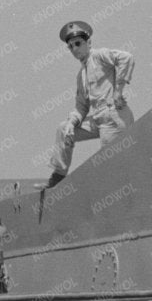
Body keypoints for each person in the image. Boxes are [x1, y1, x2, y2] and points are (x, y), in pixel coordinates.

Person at [48, 19, 135, 185]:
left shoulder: (99, 55)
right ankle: (58, 177)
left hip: (113, 116)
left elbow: (126, 58)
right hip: (98, 119)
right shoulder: (81, 75)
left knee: (111, 167)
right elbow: (81, 107)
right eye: (70, 46)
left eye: (78, 43)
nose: (74, 49)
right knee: (63, 129)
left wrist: (118, 91)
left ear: (88, 43)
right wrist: (71, 123)